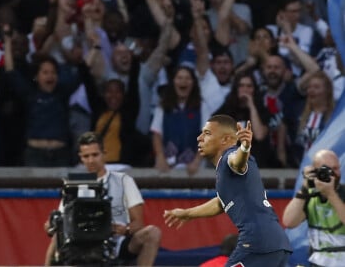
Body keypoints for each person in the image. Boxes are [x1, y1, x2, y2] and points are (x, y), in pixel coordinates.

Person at [163, 114, 292, 266]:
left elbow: (237, 162)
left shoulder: (229, 157)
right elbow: (220, 203)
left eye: (207, 133)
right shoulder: (226, 174)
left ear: (226, 140)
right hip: (275, 241)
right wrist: (187, 213)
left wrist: (244, 148)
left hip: (257, 241)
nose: (199, 138)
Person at [45, 131, 162, 266]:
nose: (91, 160)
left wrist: (125, 229)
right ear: (81, 158)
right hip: (78, 242)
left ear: (104, 154)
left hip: (114, 242)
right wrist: (51, 225)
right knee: (56, 236)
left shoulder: (123, 180)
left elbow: (138, 223)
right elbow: (61, 218)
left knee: (153, 233)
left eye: (95, 155)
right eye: (86, 156)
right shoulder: (73, 184)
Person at [282, 149, 345, 267]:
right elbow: (289, 221)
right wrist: (304, 187)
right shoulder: (310, 195)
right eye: (327, 169)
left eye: (336, 168)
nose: (333, 174)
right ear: (315, 171)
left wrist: (331, 194)